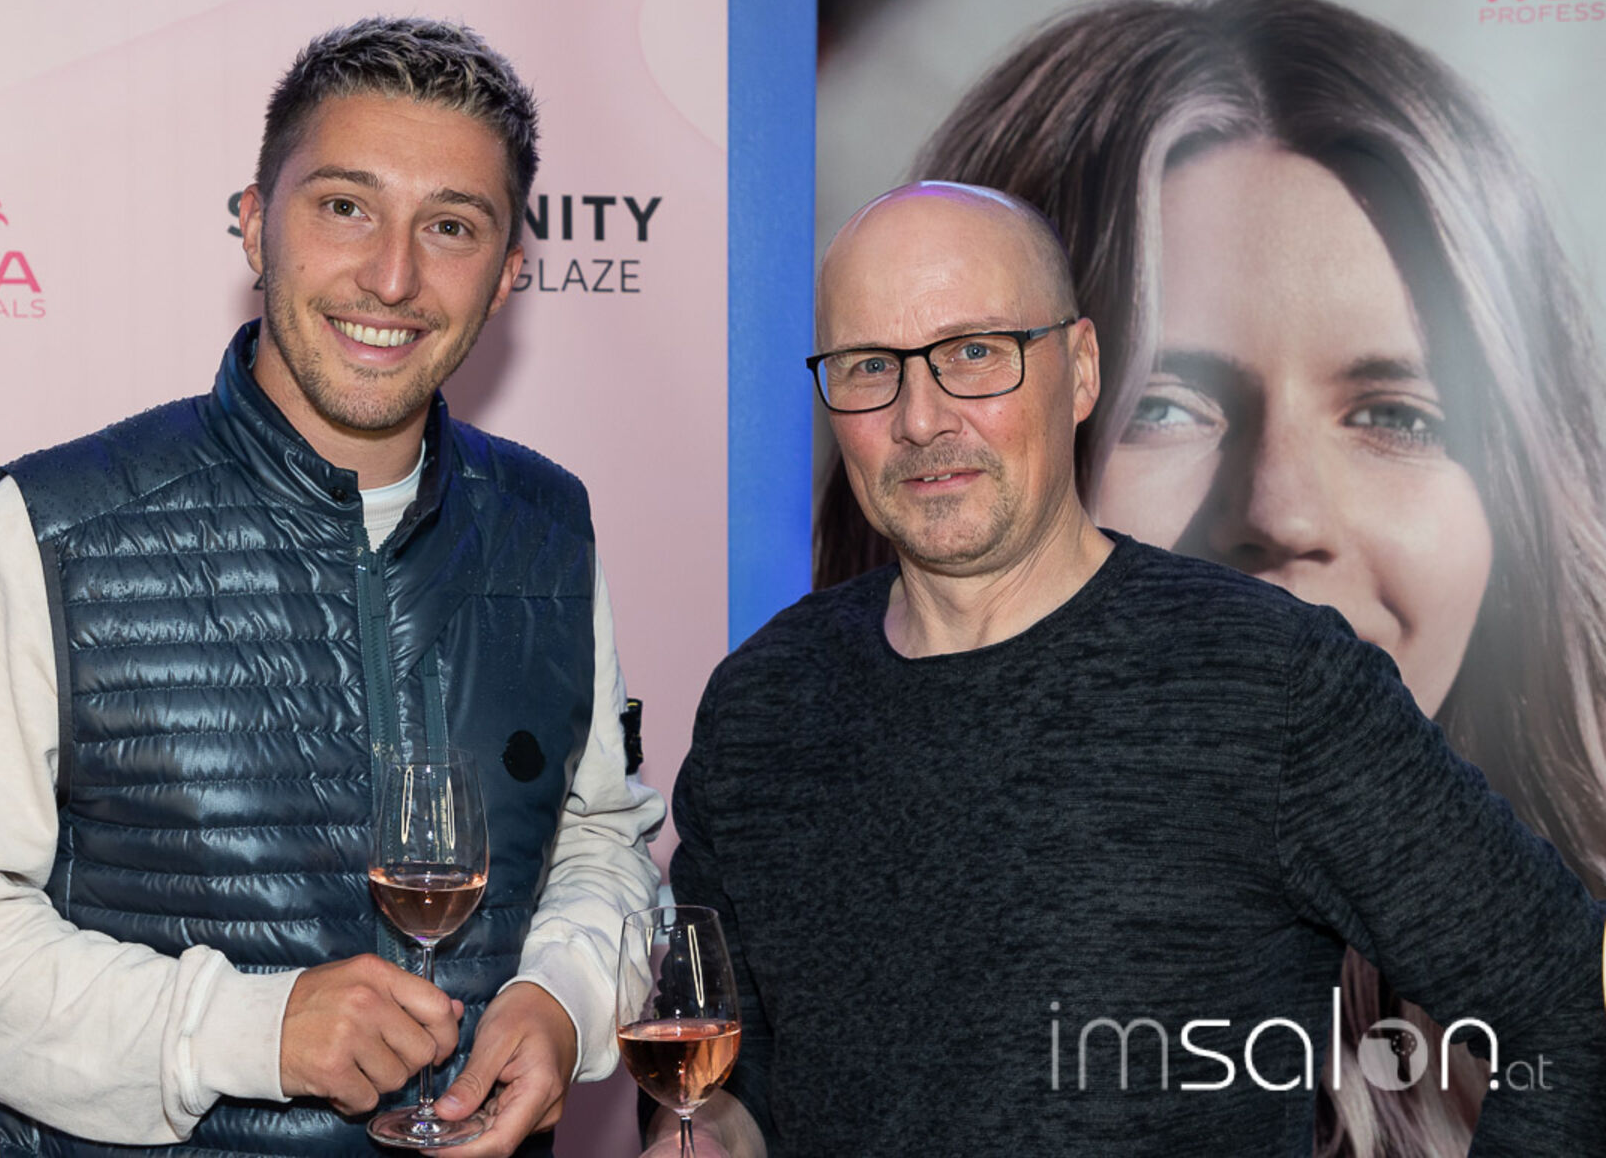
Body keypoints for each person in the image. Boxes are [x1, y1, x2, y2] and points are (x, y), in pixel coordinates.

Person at [0, 16, 664, 1158]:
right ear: (252, 224)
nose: (392, 275)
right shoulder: (58, 526)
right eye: (344, 206)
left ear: (510, 271)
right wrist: (243, 1029)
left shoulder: (549, 525)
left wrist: (564, 995)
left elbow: (596, 834)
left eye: (451, 226)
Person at [655, 181, 1606, 1157]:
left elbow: (1568, 1004)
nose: (921, 416)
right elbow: (735, 1083)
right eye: (870, 366)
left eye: (975, 352)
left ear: (1080, 371)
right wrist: (706, 1136)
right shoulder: (762, 705)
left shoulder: (1270, 682)